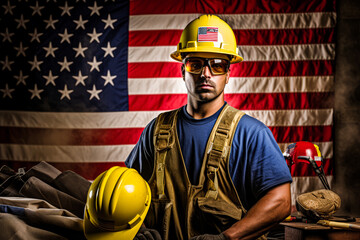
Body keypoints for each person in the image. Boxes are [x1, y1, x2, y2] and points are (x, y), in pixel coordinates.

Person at [125, 14, 292, 240]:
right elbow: (128, 189)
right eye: (196, 64)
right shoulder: (156, 130)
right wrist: (139, 230)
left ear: (228, 74)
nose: (206, 74)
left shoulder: (251, 134)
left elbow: (280, 201)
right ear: (183, 71)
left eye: (218, 66)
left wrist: (227, 238)